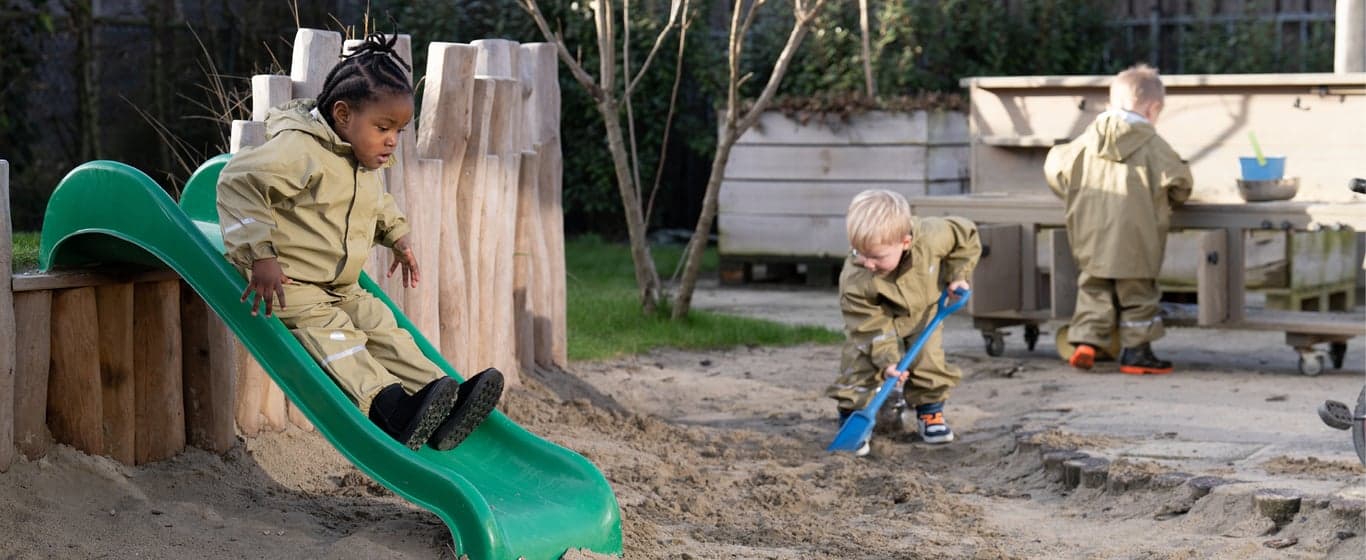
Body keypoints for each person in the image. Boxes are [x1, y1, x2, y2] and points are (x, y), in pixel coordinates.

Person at [216, 34, 503, 451]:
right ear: (343, 113)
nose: (392, 140)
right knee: (337, 340)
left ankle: (440, 399)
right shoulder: (299, 150)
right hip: (291, 287)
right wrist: (260, 255)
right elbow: (238, 182)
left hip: (341, 286)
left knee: (383, 327)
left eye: (399, 131)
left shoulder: (359, 156)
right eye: (384, 128)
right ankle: (391, 409)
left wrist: (397, 235)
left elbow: (375, 201)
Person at [1044, 63, 1193, 375]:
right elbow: (1180, 182)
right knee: (1139, 296)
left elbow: (1055, 170)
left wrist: (1075, 194)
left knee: (1093, 287)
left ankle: (1086, 342)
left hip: (1090, 235)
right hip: (1136, 240)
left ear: (1111, 104)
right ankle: (1137, 354)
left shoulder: (1085, 140)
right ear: (1153, 109)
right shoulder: (1153, 144)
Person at [824, 189, 981, 455]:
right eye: (859, 252)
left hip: (924, 309)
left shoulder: (932, 236)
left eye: (876, 256)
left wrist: (958, 275)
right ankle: (852, 415)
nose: (868, 263)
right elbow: (867, 325)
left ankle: (930, 411)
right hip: (877, 317)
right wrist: (887, 359)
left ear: (905, 242)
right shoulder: (855, 277)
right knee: (858, 360)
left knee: (928, 359)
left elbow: (966, 236)